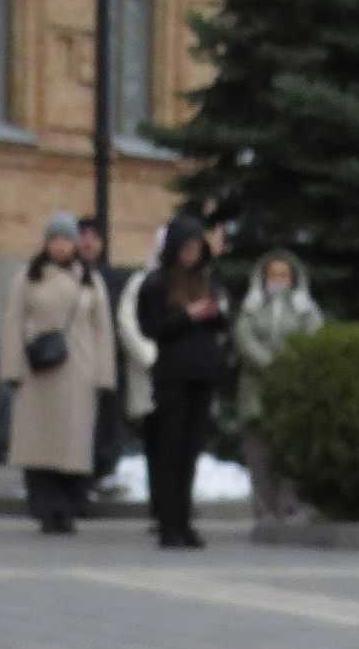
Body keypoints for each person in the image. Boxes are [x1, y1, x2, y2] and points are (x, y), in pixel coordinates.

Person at [0, 213, 117, 536]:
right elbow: (12, 322)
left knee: (73, 444)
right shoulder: (28, 276)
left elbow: (102, 329)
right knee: (39, 443)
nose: (60, 246)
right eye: (54, 239)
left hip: (78, 373)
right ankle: (46, 508)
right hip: (38, 373)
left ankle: (69, 506)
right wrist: (11, 368)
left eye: (66, 240)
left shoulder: (90, 279)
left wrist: (103, 375)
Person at [135, 214, 231, 551]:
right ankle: (168, 523)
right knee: (169, 449)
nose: (191, 254)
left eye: (196, 248)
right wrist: (186, 316)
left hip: (202, 374)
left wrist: (214, 313)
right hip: (172, 375)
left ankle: (184, 521)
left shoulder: (208, 281)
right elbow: (150, 328)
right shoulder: (157, 283)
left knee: (191, 451)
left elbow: (222, 324)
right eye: (185, 248)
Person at [234, 250, 323, 524]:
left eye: (284, 275)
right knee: (258, 450)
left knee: (290, 448)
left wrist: (289, 364)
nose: (278, 279)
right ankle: (264, 508)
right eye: (273, 275)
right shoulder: (251, 307)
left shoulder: (305, 307)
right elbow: (244, 337)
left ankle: (289, 506)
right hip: (256, 389)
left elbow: (314, 335)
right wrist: (267, 364)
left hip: (292, 386)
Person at [76, 217, 129, 486]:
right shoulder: (64, 275)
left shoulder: (113, 279)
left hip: (107, 360)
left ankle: (104, 467)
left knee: (107, 417)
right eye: (82, 235)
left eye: (93, 236)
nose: (87, 241)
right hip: (73, 361)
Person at [112, 224, 164, 484]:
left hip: (180, 373)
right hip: (149, 371)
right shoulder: (140, 283)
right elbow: (126, 322)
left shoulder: (193, 282)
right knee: (152, 434)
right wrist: (149, 356)